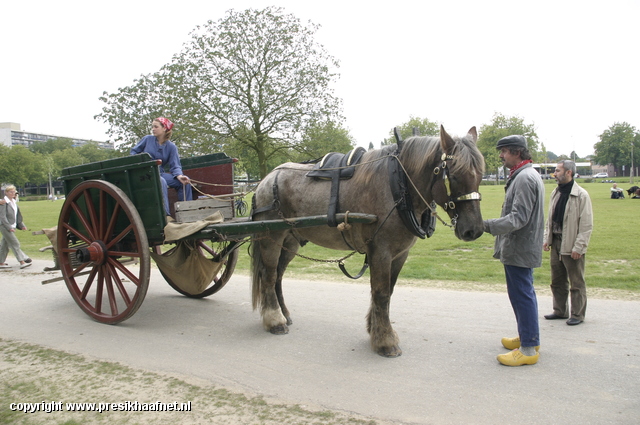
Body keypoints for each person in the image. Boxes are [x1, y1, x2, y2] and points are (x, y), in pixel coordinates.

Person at [483, 135, 545, 366]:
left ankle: (528, 349)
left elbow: (518, 218)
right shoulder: (524, 175)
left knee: (522, 295)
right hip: (520, 245)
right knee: (521, 294)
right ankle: (528, 337)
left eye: (505, 151)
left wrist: (486, 225)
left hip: (520, 246)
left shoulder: (524, 178)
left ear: (517, 152)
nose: (501, 155)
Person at [543, 160, 593, 326]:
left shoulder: (581, 195)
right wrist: (547, 239)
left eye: (557, 171)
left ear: (568, 173)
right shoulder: (555, 193)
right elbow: (549, 220)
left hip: (571, 244)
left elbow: (586, 225)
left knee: (576, 282)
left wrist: (579, 247)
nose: (554, 174)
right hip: (556, 243)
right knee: (557, 281)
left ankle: (577, 315)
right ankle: (560, 311)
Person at [130, 117, 192, 216]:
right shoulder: (147, 139)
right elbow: (133, 153)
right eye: (152, 127)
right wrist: (141, 162)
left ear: (164, 128)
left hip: (160, 173)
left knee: (184, 183)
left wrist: (179, 176)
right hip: (144, 174)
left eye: (156, 127)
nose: (153, 129)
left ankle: (187, 213)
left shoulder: (171, 147)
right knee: (161, 181)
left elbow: (175, 165)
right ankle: (165, 216)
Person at [0, 185, 32, 269]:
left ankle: (1, 263)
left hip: (12, 226)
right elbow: (2, 217)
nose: (13, 193)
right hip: (5, 226)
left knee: (4, 246)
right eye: (11, 192)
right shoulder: (4, 203)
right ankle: (22, 261)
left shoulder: (14, 203)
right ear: (6, 193)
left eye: (14, 192)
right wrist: (8, 227)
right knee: (15, 243)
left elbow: (17, 216)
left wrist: (21, 225)